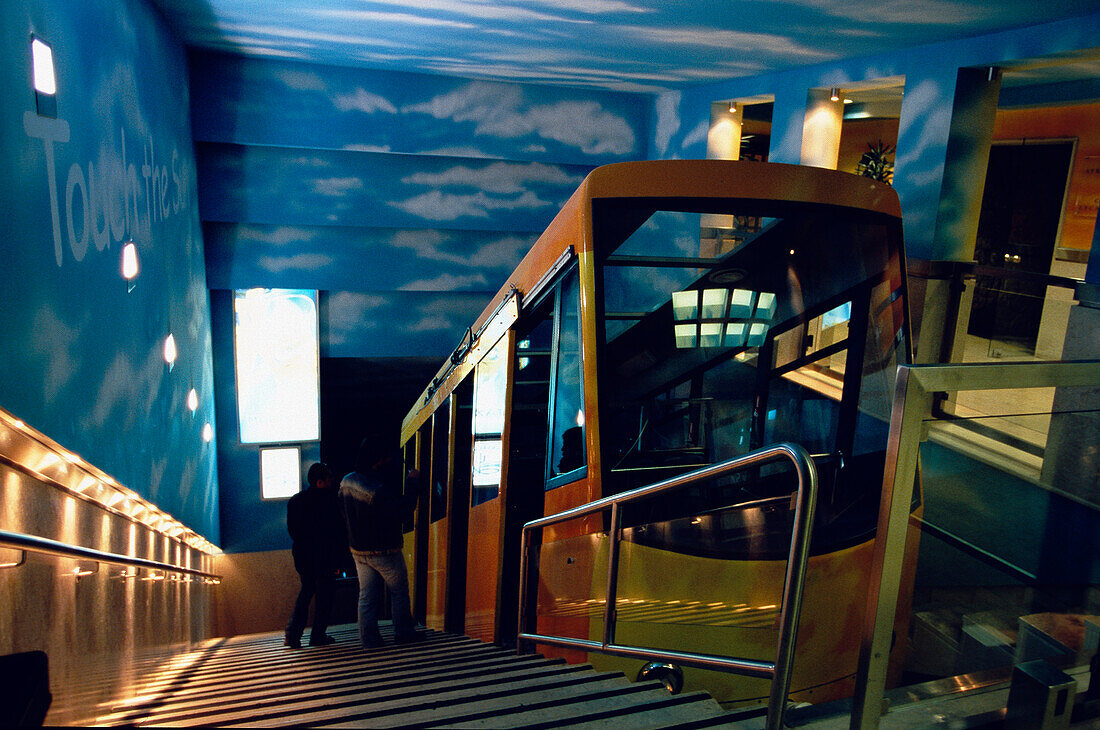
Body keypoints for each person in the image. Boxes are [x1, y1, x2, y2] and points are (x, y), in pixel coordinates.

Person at [340, 438, 420, 649]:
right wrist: (413, 483)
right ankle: (403, 633)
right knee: (399, 591)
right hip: (385, 550)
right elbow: (403, 511)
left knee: (366, 596)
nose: (387, 461)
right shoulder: (376, 489)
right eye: (384, 458)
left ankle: (369, 641)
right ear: (377, 460)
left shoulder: (346, 482)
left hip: (358, 551)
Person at [284, 462, 344, 649]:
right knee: (325, 596)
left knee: (306, 592)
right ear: (320, 482)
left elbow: (293, 531)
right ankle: (318, 635)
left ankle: (293, 635)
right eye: (329, 479)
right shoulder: (330, 501)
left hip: (303, 557)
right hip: (325, 557)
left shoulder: (295, 501)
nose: (332, 482)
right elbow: (336, 532)